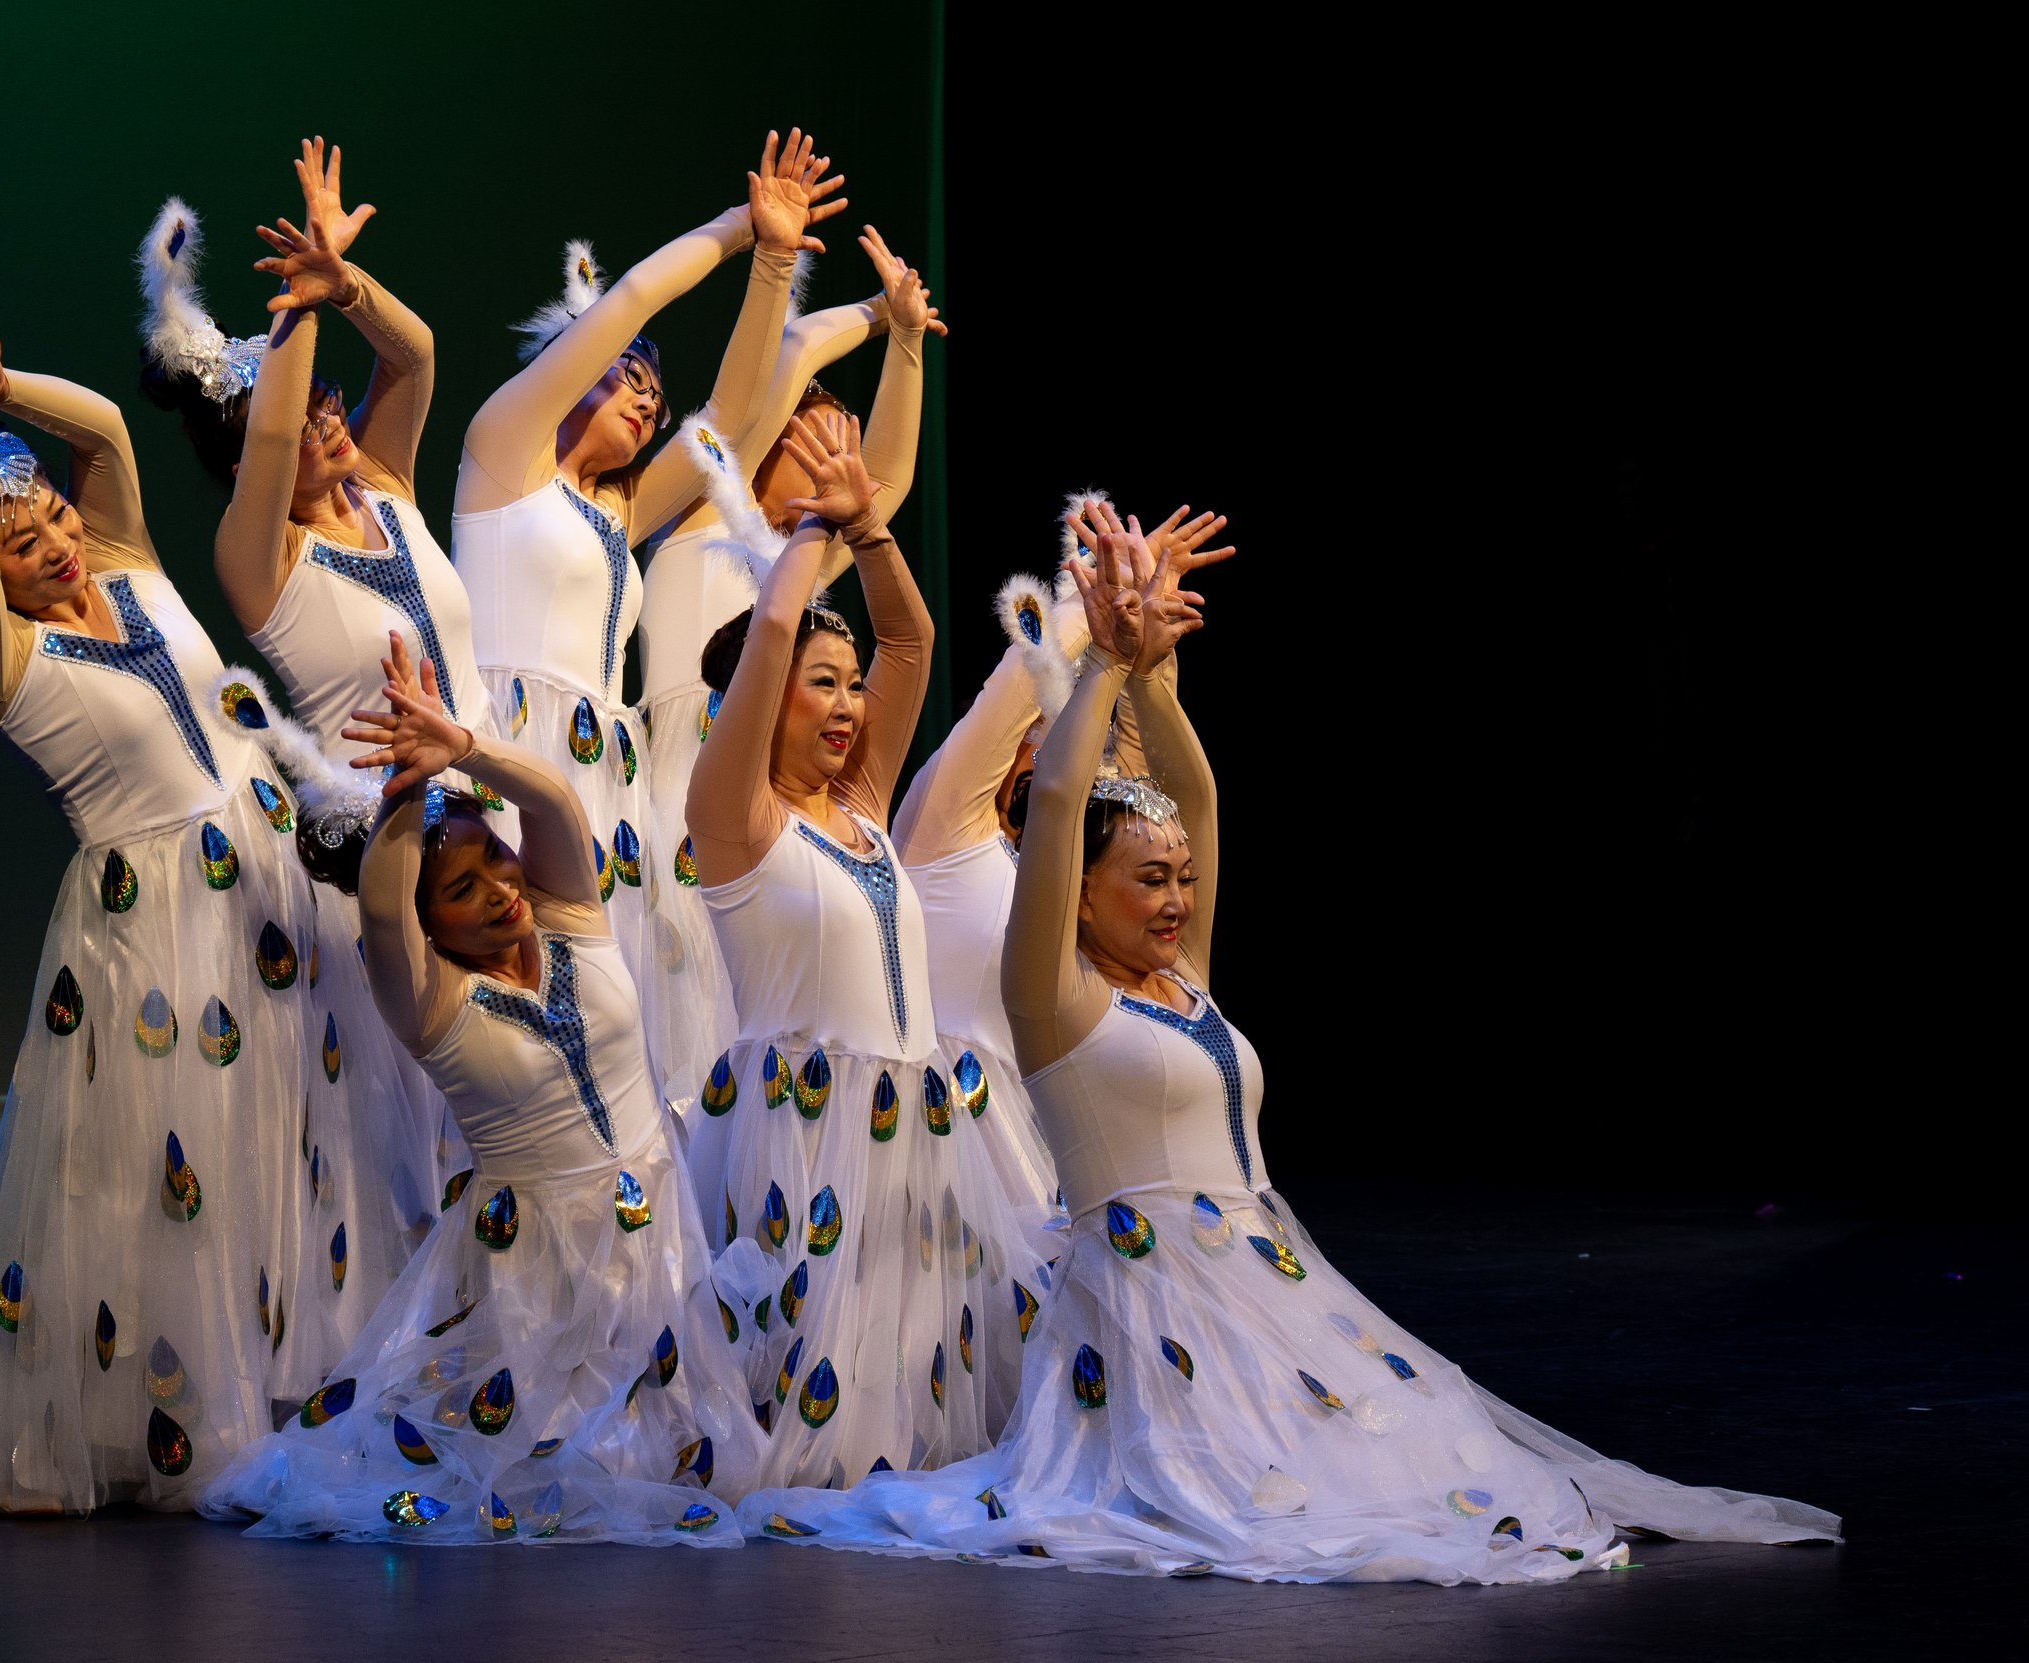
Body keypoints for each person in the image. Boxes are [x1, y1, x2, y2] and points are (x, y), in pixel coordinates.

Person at [742, 505, 1842, 1579]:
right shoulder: (1056, 1003)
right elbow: (1066, 789)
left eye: (1181, 882)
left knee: (1441, 1458)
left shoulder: (1183, 982)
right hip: (1153, 1307)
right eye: (1149, 882)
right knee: (1283, 1503)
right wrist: (1099, 666)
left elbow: (1201, 803)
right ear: (1076, 893)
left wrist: (1155, 677)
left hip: (1271, 1273)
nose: (1176, 900)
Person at [0, 277, 317, 1512]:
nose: (44, 535)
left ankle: (292, 1375)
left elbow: (102, 426)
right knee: (170, 1171)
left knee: (285, 1139)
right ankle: (175, 1417)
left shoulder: (134, 567)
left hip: (269, 885)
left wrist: (1, 396)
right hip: (155, 932)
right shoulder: (2, 659)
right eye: (12, 534)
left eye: (42, 512)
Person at [198, 633, 755, 1545]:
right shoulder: (431, 1001)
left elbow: (556, 801)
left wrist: (460, 748)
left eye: (496, 859)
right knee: (552, 1473)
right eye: (462, 887)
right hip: (538, 1265)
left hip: (657, 1221)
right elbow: (382, 904)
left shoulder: (569, 913)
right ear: (429, 923)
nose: (502, 887)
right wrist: (407, 797)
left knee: (690, 1446)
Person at [138, 140, 486, 1366]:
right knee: (390, 1138)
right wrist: (289, 321)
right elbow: (275, 442)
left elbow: (420, 355)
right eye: (305, 415)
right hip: (379, 864)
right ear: (243, 467)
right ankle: (388, 1367)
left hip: (481, 822)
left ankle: (489, 1350)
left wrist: (345, 290)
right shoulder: (262, 564)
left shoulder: (386, 491)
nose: (330, 421)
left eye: (333, 400)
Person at [683, 409, 1041, 1487]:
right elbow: (768, 650)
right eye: (818, 682)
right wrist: (806, 538)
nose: (846, 706)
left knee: (911, 1360)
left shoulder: (863, 805)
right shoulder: (738, 821)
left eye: (850, 686)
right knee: (806, 1373)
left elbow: (913, 642)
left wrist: (871, 530)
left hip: (913, 1121)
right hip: (798, 1131)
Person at [448, 130, 843, 1045]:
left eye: (654, 402)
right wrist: (737, 227)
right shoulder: (503, 456)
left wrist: (776, 264)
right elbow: (627, 301)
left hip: (607, 783)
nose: (647, 404)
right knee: (517, 1014)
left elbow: (730, 423)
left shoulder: (616, 511)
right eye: (629, 379)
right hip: (512, 751)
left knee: (622, 1028)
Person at [637, 225, 943, 1117]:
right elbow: (787, 353)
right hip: (690, 814)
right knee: (691, 1050)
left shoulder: (799, 563)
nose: (840, 459)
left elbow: (881, 489)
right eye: (821, 443)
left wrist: (910, 345)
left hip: (783, 841)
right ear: (766, 450)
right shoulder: (694, 531)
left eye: (844, 444)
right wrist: (876, 313)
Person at [890, 499, 1232, 1225]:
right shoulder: (945, 830)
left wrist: (1149, 645)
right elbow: (1015, 687)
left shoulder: (1092, 871)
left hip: (1071, 1158)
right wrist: (1096, 601)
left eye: (1098, 726)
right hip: (959, 1177)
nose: (1092, 746)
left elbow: (1159, 775)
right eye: (1068, 718)